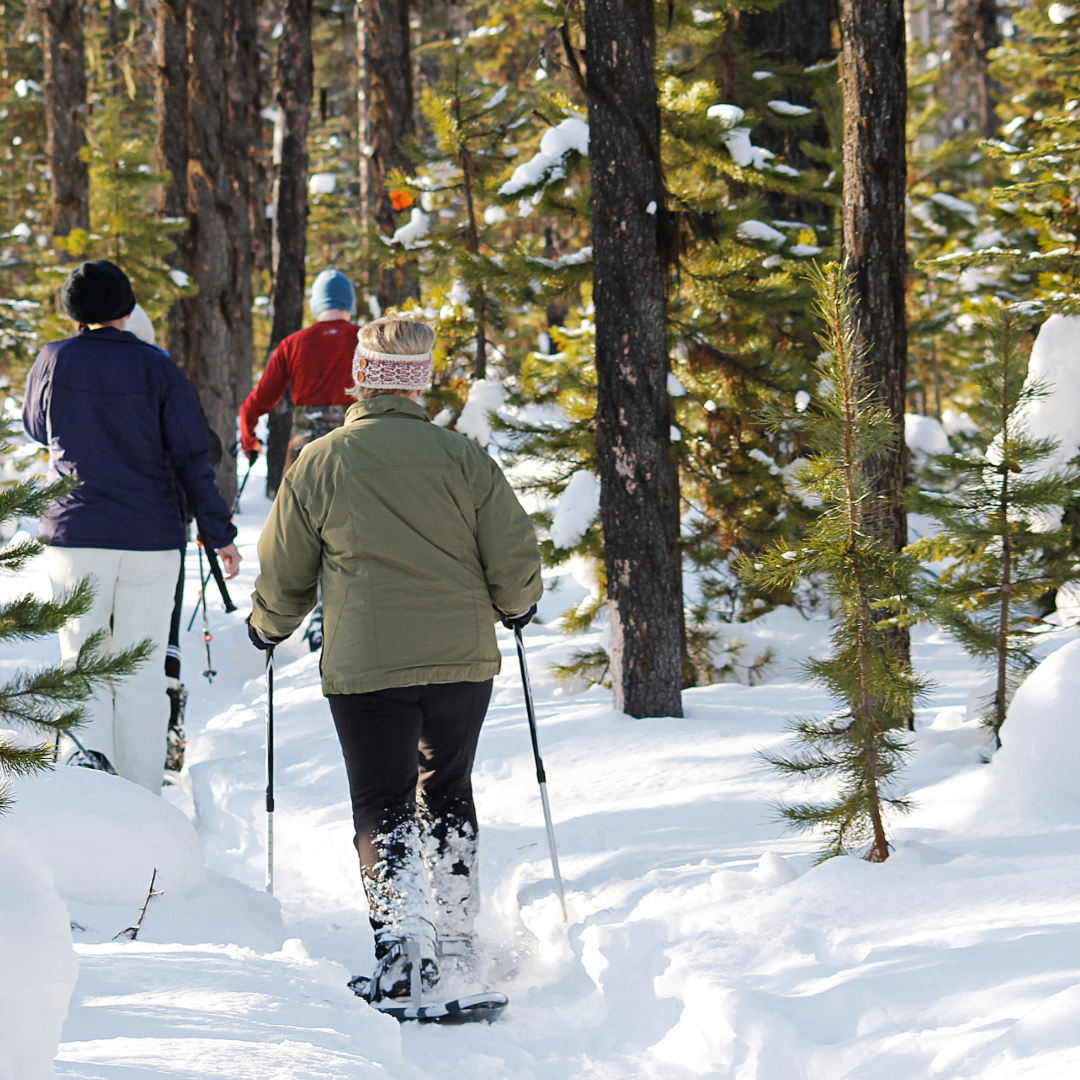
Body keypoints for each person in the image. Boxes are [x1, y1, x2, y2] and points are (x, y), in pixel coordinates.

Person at [247, 316, 542, 1002]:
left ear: (361, 376)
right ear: (421, 380)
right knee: (446, 789)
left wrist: (267, 629)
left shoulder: (319, 462)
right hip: (463, 662)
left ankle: (403, 954)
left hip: (368, 667)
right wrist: (518, 605)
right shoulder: (463, 458)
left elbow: (285, 574)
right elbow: (512, 551)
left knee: (383, 803)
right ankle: (460, 941)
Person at [22, 259, 240, 793]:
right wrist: (220, 534)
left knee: (84, 666)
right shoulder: (157, 367)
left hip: (75, 538)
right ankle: (142, 799)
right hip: (151, 541)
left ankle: (93, 792)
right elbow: (193, 456)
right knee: (141, 676)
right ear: (126, 307)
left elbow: (34, 426)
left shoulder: (54, 359)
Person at [239, 268, 360, 472]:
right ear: (349, 302)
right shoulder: (367, 341)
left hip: (307, 450)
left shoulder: (293, 344)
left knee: (300, 502)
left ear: (316, 304)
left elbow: (259, 400)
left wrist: (248, 438)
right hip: (357, 446)